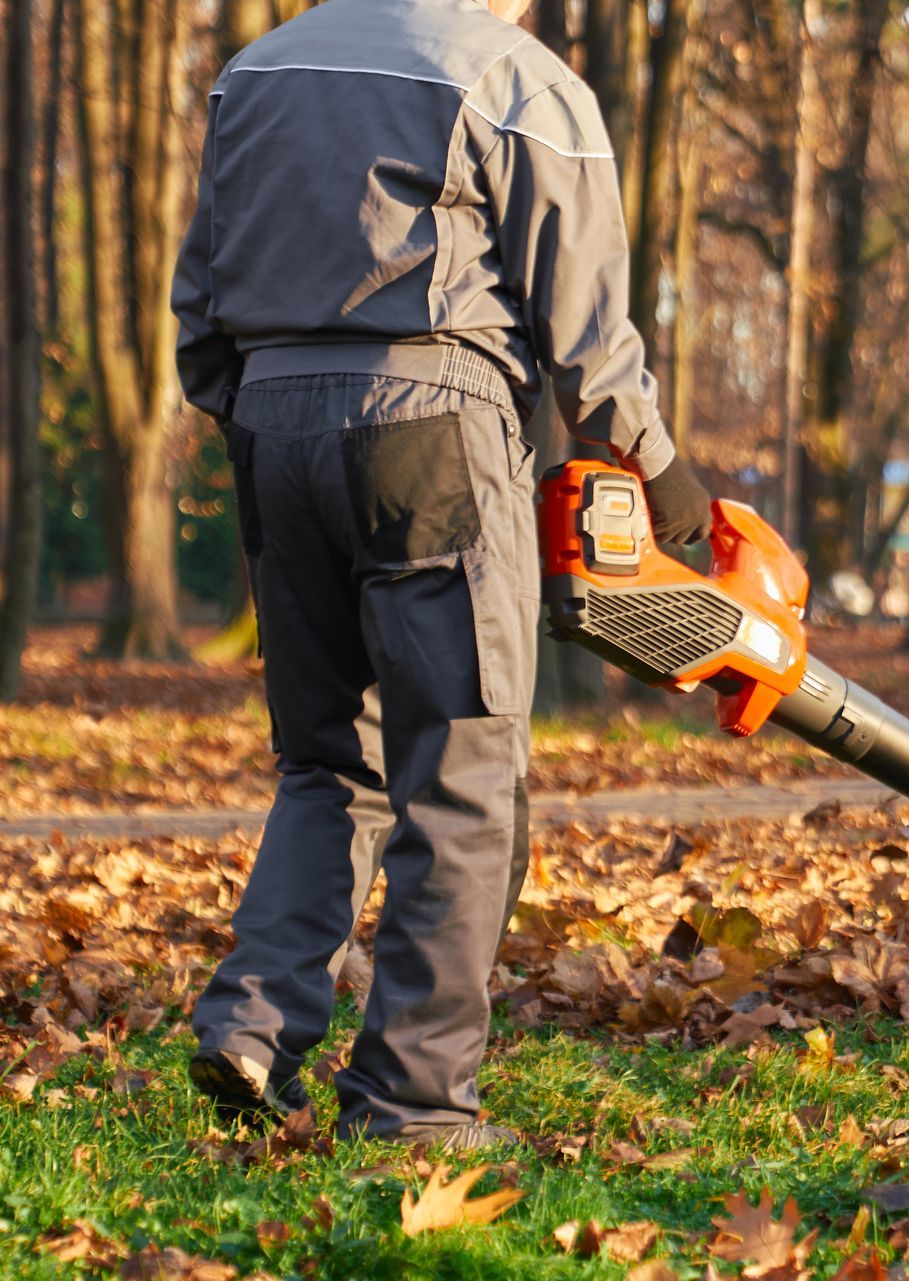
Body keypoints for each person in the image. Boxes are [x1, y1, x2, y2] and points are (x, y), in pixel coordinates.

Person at [169, 0, 710, 1152]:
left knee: (327, 761)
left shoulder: (255, 71)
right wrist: (660, 473)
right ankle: (414, 1104)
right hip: (431, 424)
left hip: (269, 422)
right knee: (461, 777)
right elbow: (584, 321)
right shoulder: (513, 75)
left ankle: (254, 1025)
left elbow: (200, 302)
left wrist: (259, 417)